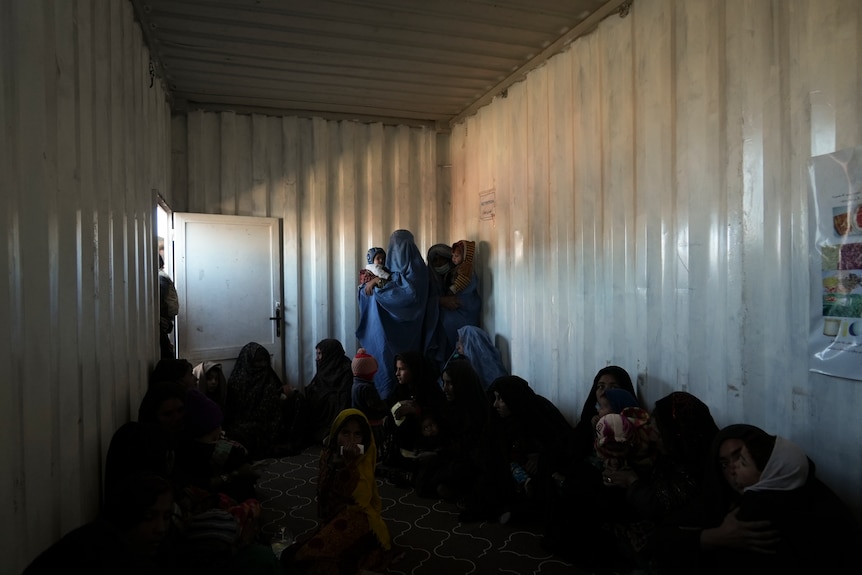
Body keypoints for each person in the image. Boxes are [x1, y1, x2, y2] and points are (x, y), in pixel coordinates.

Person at [654, 424, 858, 574]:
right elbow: (661, 542)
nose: (733, 470)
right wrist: (711, 537)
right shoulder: (716, 500)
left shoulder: (807, 500)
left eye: (740, 458)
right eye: (724, 464)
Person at [280, 409, 393, 575]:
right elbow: (323, 499)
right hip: (333, 517)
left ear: (365, 438)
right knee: (294, 556)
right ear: (335, 433)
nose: (351, 441)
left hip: (360, 517)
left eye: (357, 434)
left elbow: (357, 499)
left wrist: (350, 465)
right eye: (345, 433)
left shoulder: (364, 458)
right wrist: (337, 462)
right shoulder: (328, 457)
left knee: (310, 561)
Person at [24, 472, 178, 574]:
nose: (161, 528)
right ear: (128, 514)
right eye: (149, 517)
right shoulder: (99, 549)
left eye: (167, 517)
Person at [355, 229, 431, 401]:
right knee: (386, 364)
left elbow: (409, 295)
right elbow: (385, 284)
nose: (397, 252)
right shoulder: (390, 268)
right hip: (384, 331)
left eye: (401, 247)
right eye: (393, 247)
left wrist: (378, 287)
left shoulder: (417, 269)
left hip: (411, 329)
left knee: (407, 368)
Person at [488, 375, 573, 518]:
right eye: (495, 398)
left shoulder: (539, 410)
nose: (495, 405)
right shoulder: (502, 420)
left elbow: (563, 443)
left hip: (546, 466)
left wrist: (541, 457)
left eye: (500, 399)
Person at [224, 342, 295, 459]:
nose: (262, 365)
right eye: (258, 361)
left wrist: (283, 393)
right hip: (246, 420)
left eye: (264, 361)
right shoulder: (238, 380)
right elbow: (235, 409)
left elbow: (276, 392)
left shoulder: (268, 374)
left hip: (270, 418)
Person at [424, 242, 481, 370]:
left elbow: (470, 300)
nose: (439, 264)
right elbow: (421, 303)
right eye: (435, 260)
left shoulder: (462, 274)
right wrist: (440, 301)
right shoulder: (428, 279)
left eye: (442, 259)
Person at [304, 339, 354, 447]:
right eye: (317, 354)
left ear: (330, 354)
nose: (317, 358)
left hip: (335, 402)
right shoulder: (325, 366)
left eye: (320, 354)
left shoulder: (345, 368)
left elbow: (344, 392)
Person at [349, 348, 390, 460]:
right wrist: (387, 408)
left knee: (363, 444)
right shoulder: (367, 388)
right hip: (372, 424)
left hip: (360, 421)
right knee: (373, 445)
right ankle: (373, 461)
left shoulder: (355, 384)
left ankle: (362, 459)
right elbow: (375, 405)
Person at [445, 325, 508, 390]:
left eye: (463, 343)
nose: (457, 347)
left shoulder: (497, 377)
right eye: (458, 342)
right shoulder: (462, 367)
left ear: (472, 345)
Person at [159, 254, 179, 359]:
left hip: (164, 317)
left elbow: (160, 300)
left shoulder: (160, 277)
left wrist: (159, 318)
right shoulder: (163, 276)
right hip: (166, 317)